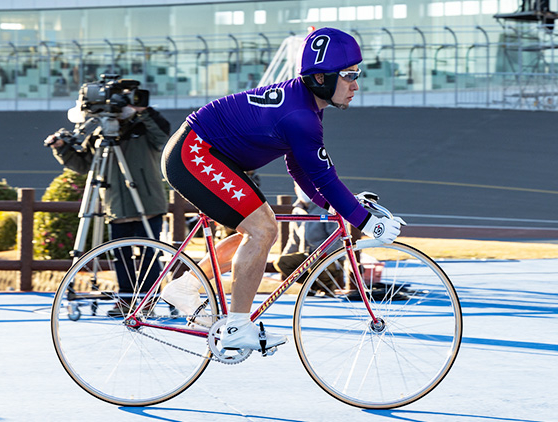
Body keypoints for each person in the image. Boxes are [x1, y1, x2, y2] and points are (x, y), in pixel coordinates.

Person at [159, 27, 402, 352]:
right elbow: (325, 177)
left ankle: (185, 286)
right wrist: (368, 222)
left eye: (357, 74)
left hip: (204, 152)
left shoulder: (308, 105)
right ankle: (237, 326)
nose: (356, 84)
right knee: (263, 229)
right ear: (321, 79)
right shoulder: (301, 116)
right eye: (348, 75)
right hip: (194, 154)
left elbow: (298, 166)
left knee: (258, 228)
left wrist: (330, 206)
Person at [46, 102, 171, 314]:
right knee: (120, 256)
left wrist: (145, 111)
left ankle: (147, 301)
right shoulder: (98, 135)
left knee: (149, 254)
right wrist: (62, 149)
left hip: (147, 202)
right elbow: (84, 164)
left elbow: (162, 136)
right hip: (116, 205)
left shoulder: (143, 127)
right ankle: (125, 300)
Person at [273, 183, 342, 295]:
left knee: (315, 262)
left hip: (326, 256)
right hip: (306, 255)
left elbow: (338, 239)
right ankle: (312, 287)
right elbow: (293, 239)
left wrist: (325, 253)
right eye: (301, 188)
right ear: (296, 190)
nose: (303, 191)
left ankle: (328, 288)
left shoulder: (327, 209)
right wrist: (285, 255)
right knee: (282, 262)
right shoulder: (297, 211)